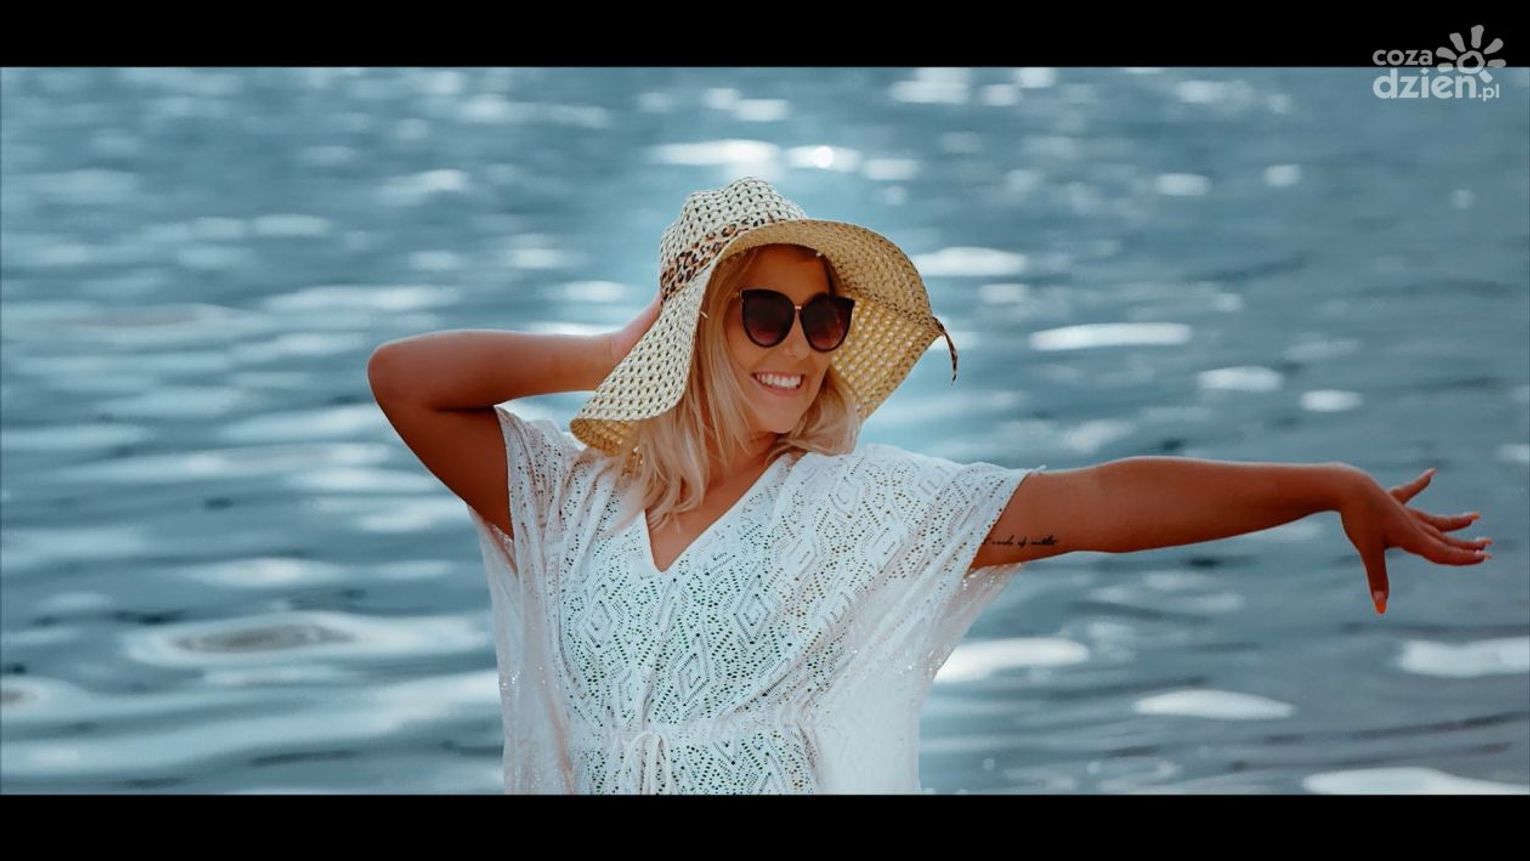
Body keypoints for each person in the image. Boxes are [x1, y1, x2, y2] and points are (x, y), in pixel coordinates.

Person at [368, 177, 1494, 794]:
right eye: (764, 313)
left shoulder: (855, 509)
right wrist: (615, 350)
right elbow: (405, 381)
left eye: (824, 318)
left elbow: (1095, 506)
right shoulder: (576, 507)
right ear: (696, 331)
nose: (798, 347)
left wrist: (1324, 483)